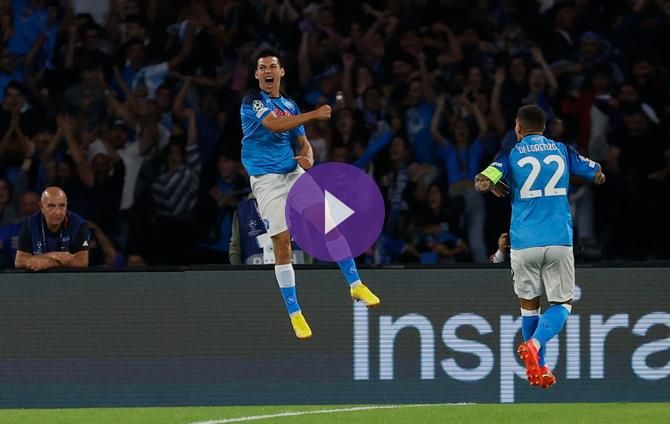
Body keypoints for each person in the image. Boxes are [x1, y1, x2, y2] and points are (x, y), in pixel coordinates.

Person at [240, 48, 380, 339]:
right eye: (262, 67)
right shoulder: (253, 99)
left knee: (328, 223)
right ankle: (295, 313)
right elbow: (272, 124)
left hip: (293, 172)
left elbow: (302, 142)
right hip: (266, 180)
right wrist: (314, 114)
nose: (267, 71)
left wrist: (308, 156)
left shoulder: (290, 104)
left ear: (281, 72)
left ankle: (356, 285)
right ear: (257, 74)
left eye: (272, 66)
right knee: (282, 244)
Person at [474, 105, 605, 388]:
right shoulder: (562, 150)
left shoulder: (510, 153)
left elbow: (483, 180)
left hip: (523, 243)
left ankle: (541, 366)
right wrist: (597, 175)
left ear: (518, 128)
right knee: (563, 304)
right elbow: (595, 171)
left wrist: (489, 184)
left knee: (529, 307)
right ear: (544, 128)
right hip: (558, 239)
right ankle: (535, 346)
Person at [14, 187, 90, 271]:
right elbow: (19, 261)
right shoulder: (30, 223)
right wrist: (54, 255)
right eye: (51, 206)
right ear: (41, 207)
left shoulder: (79, 224)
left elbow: (82, 262)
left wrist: (51, 263)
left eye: (62, 206)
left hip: (69, 277)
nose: (57, 212)